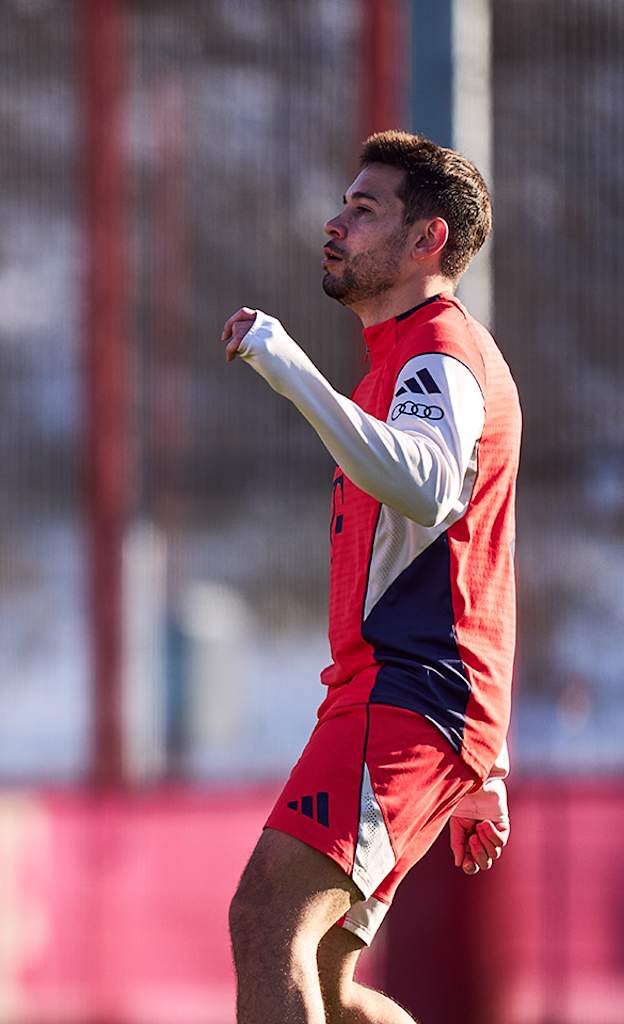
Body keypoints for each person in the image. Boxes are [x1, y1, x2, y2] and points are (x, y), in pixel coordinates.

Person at [221, 131, 519, 1024]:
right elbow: (480, 558)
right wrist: (489, 769)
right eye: (343, 205)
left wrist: (288, 367)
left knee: (269, 918)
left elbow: (427, 490)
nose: (335, 223)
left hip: (409, 693)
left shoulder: (437, 352)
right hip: (417, 698)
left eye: (364, 209)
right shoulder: (409, 356)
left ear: (428, 239)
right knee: (327, 977)